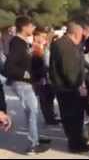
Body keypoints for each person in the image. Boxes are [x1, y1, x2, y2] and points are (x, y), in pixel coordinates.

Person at [4, 16, 51, 154]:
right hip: (22, 84)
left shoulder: (23, 43)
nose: (33, 28)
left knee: (31, 112)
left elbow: (27, 62)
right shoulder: (17, 43)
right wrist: (25, 74)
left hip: (25, 83)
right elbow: (9, 67)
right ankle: (33, 145)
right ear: (24, 27)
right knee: (32, 112)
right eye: (31, 26)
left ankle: (35, 138)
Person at [49, 22, 89, 153]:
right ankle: (76, 145)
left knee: (72, 117)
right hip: (68, 88)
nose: (82, 37)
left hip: (65, 87)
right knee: (73, 117)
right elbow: (68, 71)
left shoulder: (64, 43)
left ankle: (77, 140)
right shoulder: (66, 47)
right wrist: (78, 86)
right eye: (81, 34)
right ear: (76, 33)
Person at [31, 27, 59, 125]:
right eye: (42, 36)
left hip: (46, 76)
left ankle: (51, 115)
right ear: (36, 36)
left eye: (45, 37)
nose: (44, 38)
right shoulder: (34, 47)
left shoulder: (43, 46)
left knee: (49, 97)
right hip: (40, 77)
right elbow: (37, 63)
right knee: (44, 98)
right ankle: (49, 118)